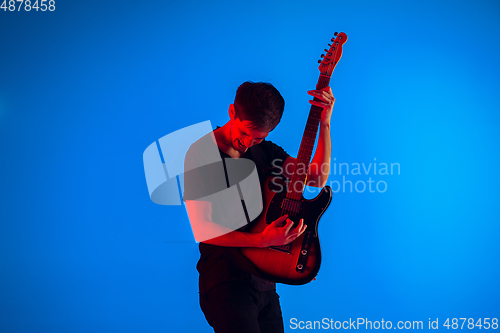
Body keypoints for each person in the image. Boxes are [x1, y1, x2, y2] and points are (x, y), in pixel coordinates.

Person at [183, 81, 334, 333]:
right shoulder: (201, 154)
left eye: (259, 137)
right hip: (226, 279)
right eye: (245, 133)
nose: (248, 142)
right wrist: (262, 240)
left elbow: (316, 179)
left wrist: (325, 121)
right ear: (233, 113)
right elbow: (203, 229)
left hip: (264, 281)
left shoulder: (265, 150)